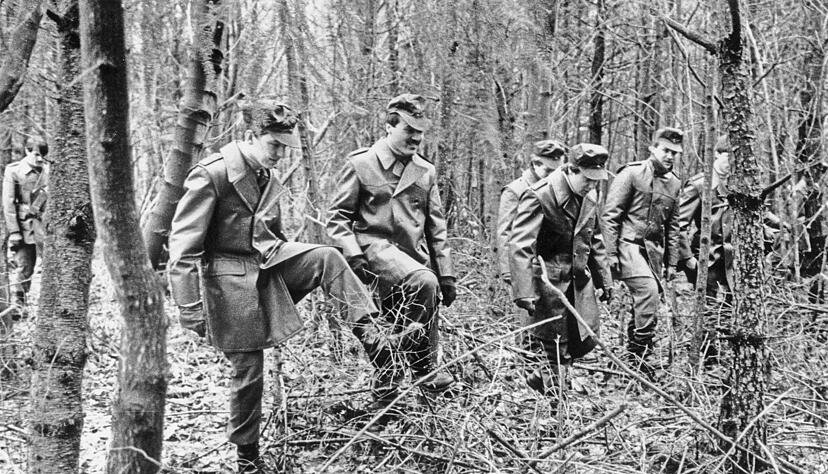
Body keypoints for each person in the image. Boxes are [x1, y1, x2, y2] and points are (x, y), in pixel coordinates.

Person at [168, 103, 402, 473]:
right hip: (228, 284)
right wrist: (189, 307)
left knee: (325, 256)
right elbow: (181, 250)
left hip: (265, 266)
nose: (280, 154)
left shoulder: (265, 174)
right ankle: (247, 459)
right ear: (249, 138)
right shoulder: (213, 175)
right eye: (273, 145)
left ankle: (372, 335)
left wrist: (293, 261)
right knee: (249, 373)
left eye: (284, 147)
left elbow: (271, 234)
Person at [326, 93, 456, 395]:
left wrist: (446, 273)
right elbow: (337, 217)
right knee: (424, 281)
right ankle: (418, 365)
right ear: (389, 125)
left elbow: (436, 227)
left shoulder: (425, 171)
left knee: (428, 287)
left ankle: (393, 373)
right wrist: (352, 254)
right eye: (409, 130)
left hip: (411, 255)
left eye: (420, 132)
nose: (416, 138)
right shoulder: (362, 164)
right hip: (374, 251)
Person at [509, 143, 612, 402]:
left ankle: (544, 379)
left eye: (596, 180)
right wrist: (524, 291)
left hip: (578, 279)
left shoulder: (589, 197)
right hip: (548, 279)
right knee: (555, 343)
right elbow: (521, 245)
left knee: (584, 337)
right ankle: (557, 397)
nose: (592, 185)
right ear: (571, 170)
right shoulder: (541, 195)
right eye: (587, 179)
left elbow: (595, 238)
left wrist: (605, 279)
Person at [602, 127, 683, 377]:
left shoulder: (674, 183)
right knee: (647, 291)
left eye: (675, 153)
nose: (670, 156)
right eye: (665, 150)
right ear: (653, 148)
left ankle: (635, 357)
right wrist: (611, 253)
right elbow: (610, 216)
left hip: (654, 253)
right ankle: (638, 356)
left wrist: (672, 262)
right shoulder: (632, 173)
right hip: (628, 245)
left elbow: (673, 227)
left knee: (650, 299)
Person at [496, 140, 566, 285]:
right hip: (525, 265)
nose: (552, 175)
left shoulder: (557, 189)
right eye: (548, 170)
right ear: (535, 164)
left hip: (553, 267)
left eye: (556, 171)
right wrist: (509, 270)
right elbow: (505, 232)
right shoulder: (515, 190)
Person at [2, 136, 49, 318]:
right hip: (24, 227)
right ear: (28, 151)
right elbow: (8, 204)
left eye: (42, 155)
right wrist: (14, 232)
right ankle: (19, 306)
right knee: (24, 266)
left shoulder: (48, 170)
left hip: (45, 226)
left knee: (50, 265)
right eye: (36, 154)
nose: (39, 159)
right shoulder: (14, 171)